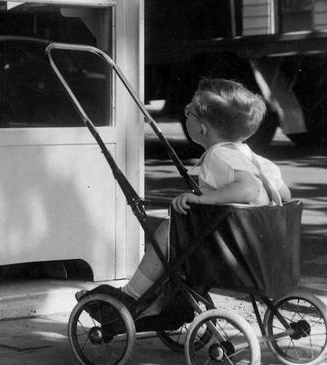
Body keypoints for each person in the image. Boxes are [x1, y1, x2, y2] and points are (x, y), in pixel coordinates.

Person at [78, 78, 292, 315]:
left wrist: (203, 200)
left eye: (188, 111)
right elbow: (283, 193)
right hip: (257, 249)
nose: (185, 112)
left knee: (166, 233)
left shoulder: (218, 156)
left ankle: (132, 294)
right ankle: (160, 300)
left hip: (225, 250)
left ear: (201, 129)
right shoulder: (254, 158)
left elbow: (249, 187)